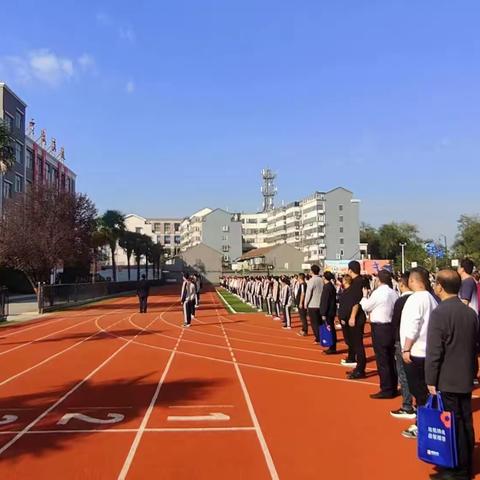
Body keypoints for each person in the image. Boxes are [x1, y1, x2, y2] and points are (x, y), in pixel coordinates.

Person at [426, 269, 478, 480]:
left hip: (447, 377)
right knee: (465, 420)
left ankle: (458, 470)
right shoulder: (470, 312)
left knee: (453, 423)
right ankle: (466, 462)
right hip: (466, 374)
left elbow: (434, 351)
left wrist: (431, 379)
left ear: (440, 286)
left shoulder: (440, 313)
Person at [399, 267, 438, 439]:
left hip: (416, 351)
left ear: (413, 281)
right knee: (427, 390)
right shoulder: (431, 298)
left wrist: (406, 347)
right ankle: (428, 420)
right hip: (428, 351)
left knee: (419, 391)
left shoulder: (416, 299)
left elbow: (413, 325)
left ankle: (422, 424)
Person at [360, 269, 399, 398]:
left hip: (380, 327)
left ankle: (386, 389)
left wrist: (364, 296)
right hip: (390, 327)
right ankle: (393, 386)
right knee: (390, 358)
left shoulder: (378, 293)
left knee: (382, 359)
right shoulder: (393, 293)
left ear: (379, 280)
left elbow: (366, 306)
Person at [390, 272, 416, 419]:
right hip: (416, 343)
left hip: (403, 341)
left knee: (404, 374)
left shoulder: (402, 301)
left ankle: (407, 406)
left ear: (402, 284)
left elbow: (395, 323)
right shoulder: (421, 298)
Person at [342, 261, 367, 379]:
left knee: (358, 345)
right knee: (355, 343)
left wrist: (352, 316)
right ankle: (358, 367)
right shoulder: (358, 282)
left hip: (357, 318)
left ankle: (360, 370)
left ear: (351, 270)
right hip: (355, 317)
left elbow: (356, 301)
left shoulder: (358, 282)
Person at [338, 274, 356, 367]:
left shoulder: (348, 292)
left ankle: (352, 358)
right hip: (345, 318)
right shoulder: (346, 291)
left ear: (345, 281)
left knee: (350, 339)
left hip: (346, 319)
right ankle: (351, 356)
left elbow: (347, 306)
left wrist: (344, 318)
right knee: (348, 339)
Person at [305, 265, 323, 345]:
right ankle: (322, 336)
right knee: (321, 322)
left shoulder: (311, 280)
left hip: (313, 304)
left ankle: (318, 338)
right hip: (321, 304)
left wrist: (305, 303)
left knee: (314, 323)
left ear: (312, 271)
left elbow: (308, 293)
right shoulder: (322, 279)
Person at [320, 271, 338, 354]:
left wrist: (323, 313)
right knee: (331, 329)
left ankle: (332, 347)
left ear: (324, 277)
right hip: (331, 310)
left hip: (328, 312)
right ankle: (332, 346)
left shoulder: (327, 287)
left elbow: (325, 301)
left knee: (330, 329)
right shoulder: (331, 286)